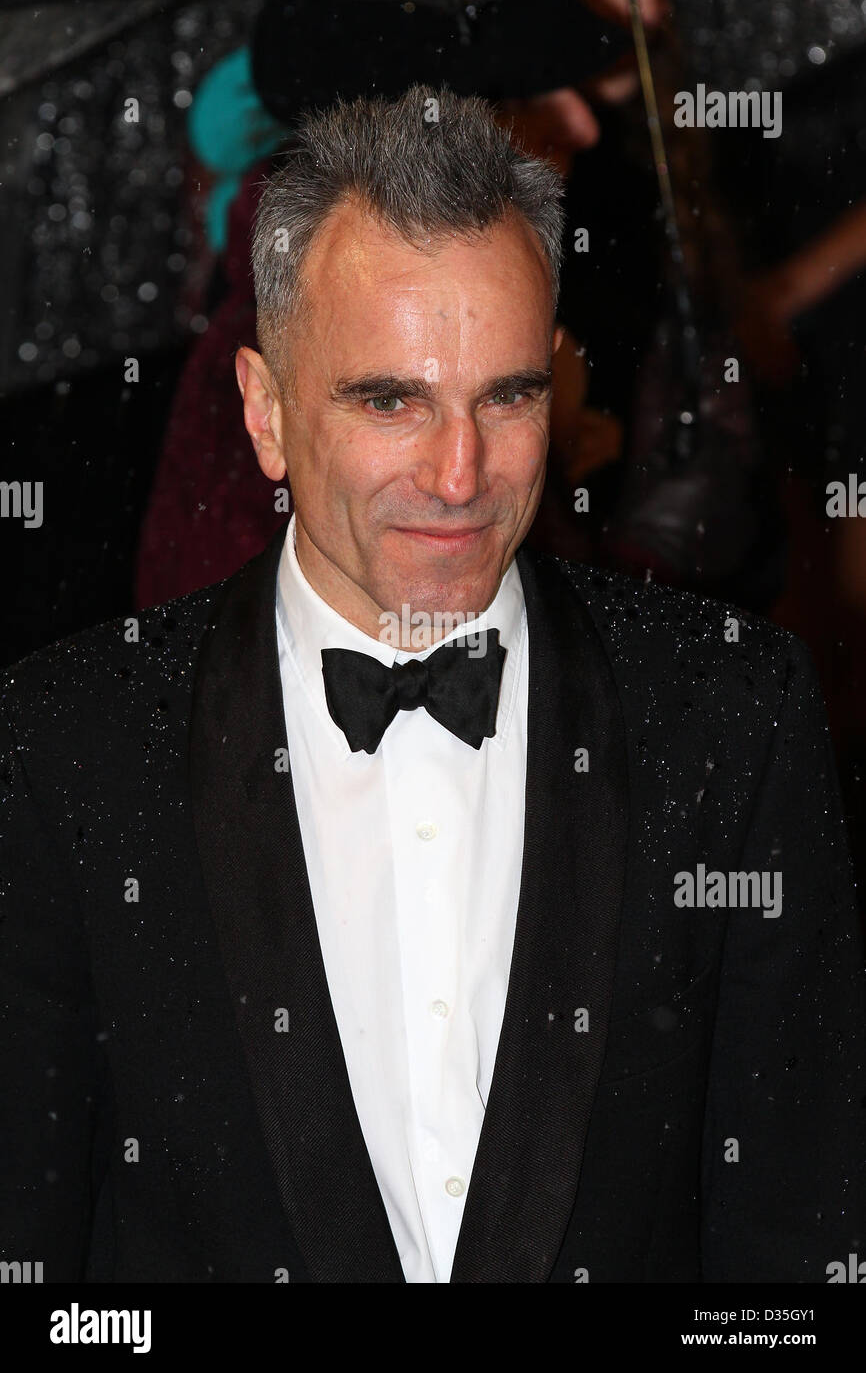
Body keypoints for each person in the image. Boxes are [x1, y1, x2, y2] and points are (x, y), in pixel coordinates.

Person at [1, 85, 864, 1285]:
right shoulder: (67, 749)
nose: (458, 475)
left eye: (505, 395)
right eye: (390, 399)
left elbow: (798, 1239)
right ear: (265, 413)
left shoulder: (732, 714)